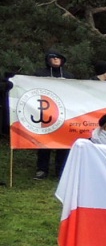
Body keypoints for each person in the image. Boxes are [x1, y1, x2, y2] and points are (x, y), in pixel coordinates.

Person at [32, 50, 75, 180]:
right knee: (45, 143)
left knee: (63, 143)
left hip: (65, 113)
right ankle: (42, 169)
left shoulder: (69, 76)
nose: (56, 60)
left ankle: (61, 170)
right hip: (46, 113)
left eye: (58, 58)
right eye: (53, 57)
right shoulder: (40, 74)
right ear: (47, 60)